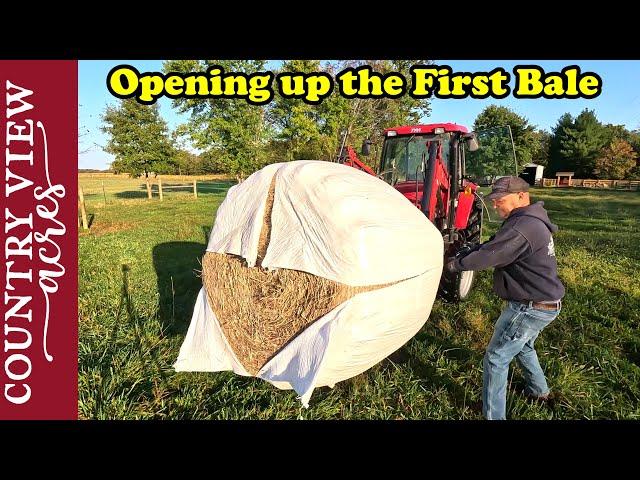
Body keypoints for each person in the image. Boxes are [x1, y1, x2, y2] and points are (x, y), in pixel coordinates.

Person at [445, 176, 565, 420]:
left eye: (500, 200)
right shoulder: (525, 220)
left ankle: (493, 415)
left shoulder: (523, 227)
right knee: (524, 347)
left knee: (496, 358)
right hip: (546, 302)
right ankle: (539, 392)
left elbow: (492, 255)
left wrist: (455, 264)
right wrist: (472, 249)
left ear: (522, 196)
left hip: (530, 307)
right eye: (494, 200)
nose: (495, 205)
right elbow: (495, 244)